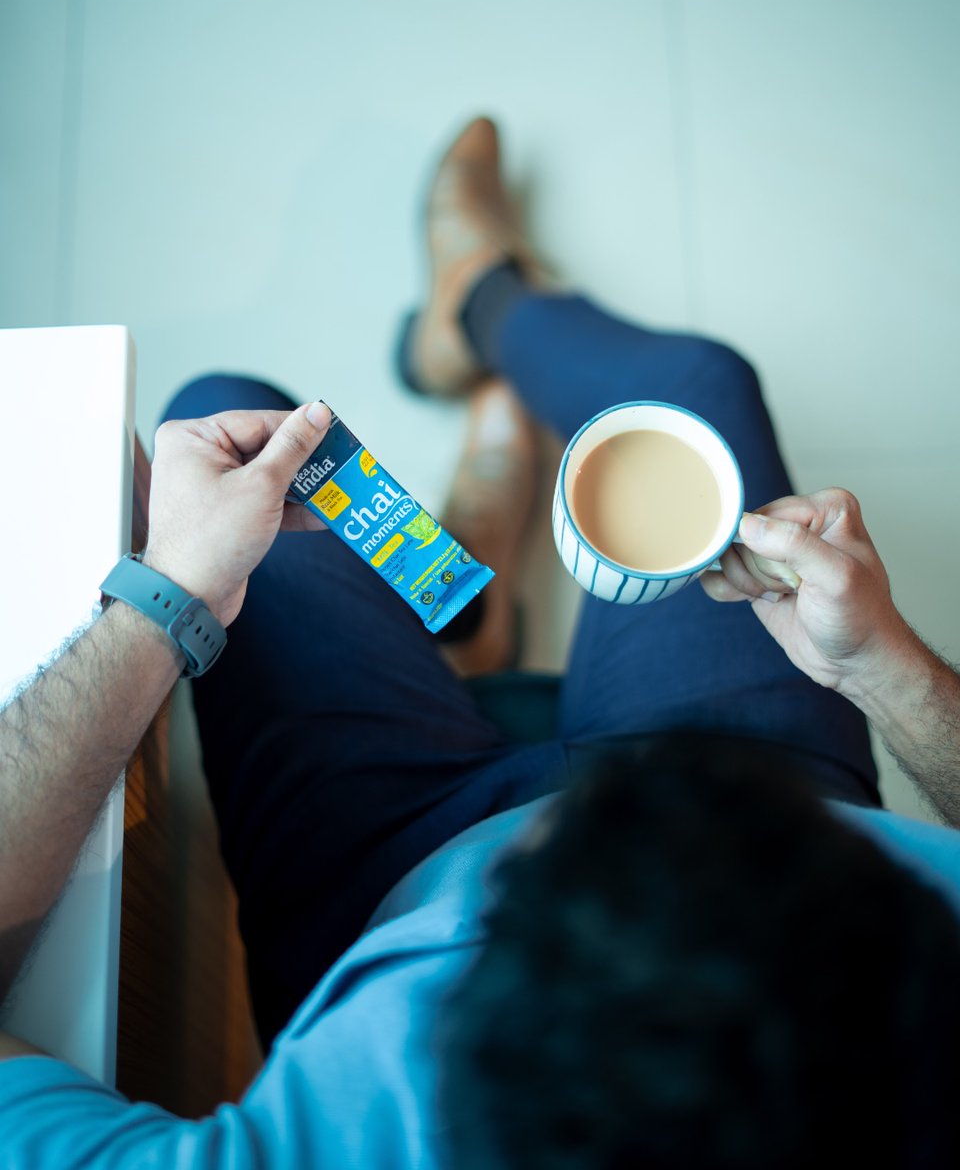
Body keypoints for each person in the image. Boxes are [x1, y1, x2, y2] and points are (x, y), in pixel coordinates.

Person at [0, 117, 959, 1168]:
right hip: (775, 788)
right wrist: (881, 666)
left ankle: (461, 576)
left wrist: (170, 598)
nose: (598, 806)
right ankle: (480, 311)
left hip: (381, 871)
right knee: (697, 387)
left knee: (221, 418)